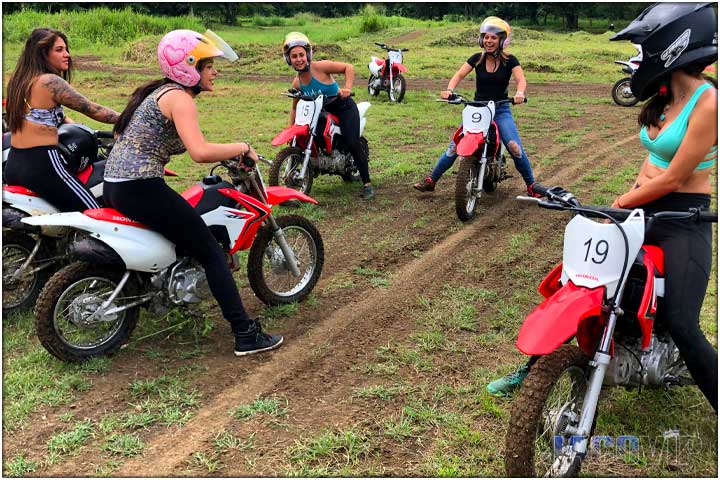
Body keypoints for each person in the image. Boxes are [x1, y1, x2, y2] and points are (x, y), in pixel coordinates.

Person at [488, 3, 719, 408]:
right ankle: (536, 367)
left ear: (671, 46)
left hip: (684, 217)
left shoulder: (707, 101)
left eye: (645, 48)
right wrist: (629, 199)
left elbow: (675, 177)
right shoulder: (664, 97)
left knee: (683, 322)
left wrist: (621, 202)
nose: (638, 59)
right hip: (643, 207)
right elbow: (654, 161)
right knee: (580, 278)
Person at [103, 29, 283, 356]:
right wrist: (243, 146)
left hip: (117, 184)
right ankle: (244, 334)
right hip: (140, 186)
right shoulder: (180, 98)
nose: (215, 71)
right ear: (188, 66)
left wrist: (226, 152)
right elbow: (199, 152)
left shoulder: (158, 92)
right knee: (212, 252)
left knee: (181, 234)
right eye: (208, 65)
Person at [413, 17, 541, 198]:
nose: (489, 41)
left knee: (514, 146)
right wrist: (449, 89)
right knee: (454, 146)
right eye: (486, 37)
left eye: (493, 38)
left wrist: (519, 93)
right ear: (481, 40)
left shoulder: (510, 60)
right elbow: (459, 74)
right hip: (478, 109)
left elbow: (521, 79)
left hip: (500, 109)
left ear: (502, 41)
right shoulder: (476, 59)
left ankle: (531, 185)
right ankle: (432, 180)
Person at [4, 27, 120, 211]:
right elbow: (94, 109)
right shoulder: (49, 82)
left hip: (15, 162)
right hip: (42, 163)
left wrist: (73, 124)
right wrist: (129, 117)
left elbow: (42, 116)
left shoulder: (19, 81)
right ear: (42, 53)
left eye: (66, 49)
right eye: (59, 50)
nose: (67, 55)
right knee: (91, 211)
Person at [282, 32, 374, 200]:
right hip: (320, 113)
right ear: (289, 59)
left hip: (343, 107)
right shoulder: (297, 83)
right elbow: (295, 108)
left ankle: (367, 183)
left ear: (308, 55)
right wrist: (291, 129)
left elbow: (348, 67)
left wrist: (347, 87)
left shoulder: (321, 67)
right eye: (294, 56)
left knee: (352, 141)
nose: (299, 59)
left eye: (301, 55)